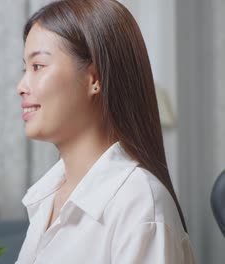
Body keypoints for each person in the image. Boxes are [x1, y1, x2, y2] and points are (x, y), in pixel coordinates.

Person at [15, 0, 196, 263]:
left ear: (94, 79)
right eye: (25, 69)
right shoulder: (47, 197)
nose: (21, 86)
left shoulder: (138, 203)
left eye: (38, 66)